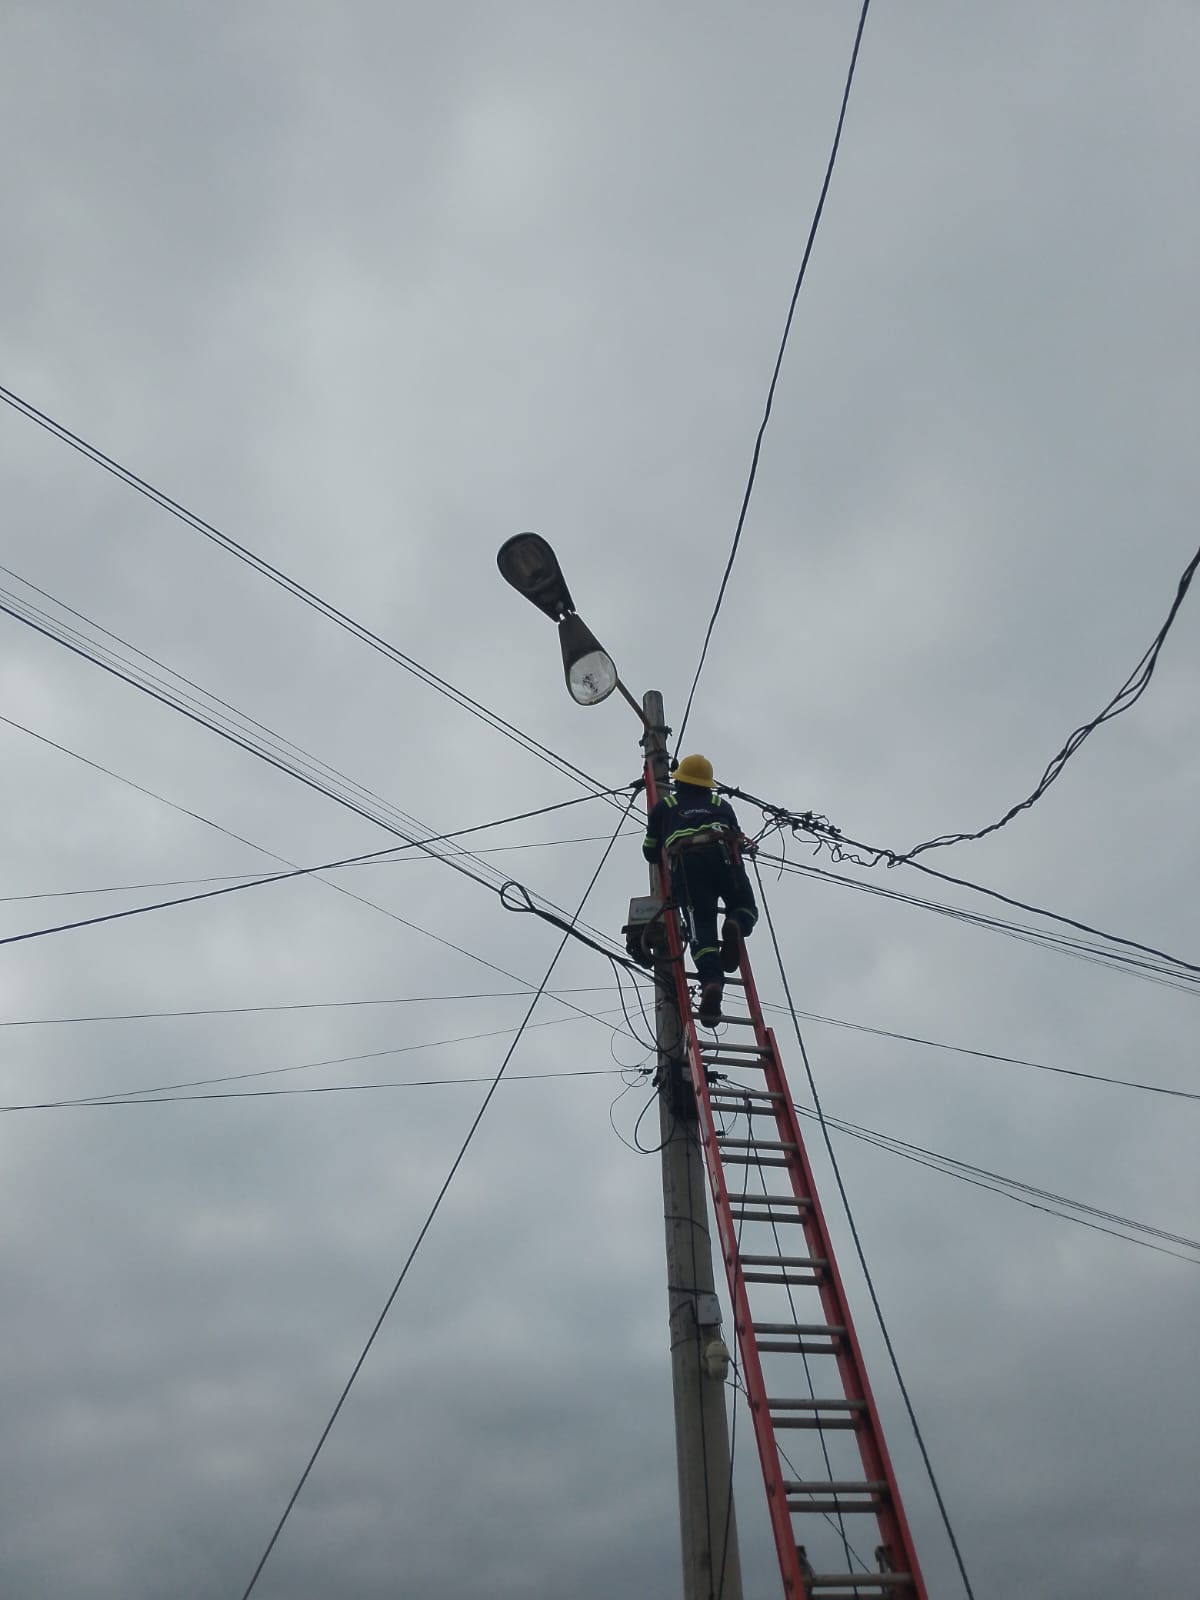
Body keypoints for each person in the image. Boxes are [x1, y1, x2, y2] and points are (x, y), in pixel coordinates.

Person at [642, 753, 758, 1028]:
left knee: (701, 927)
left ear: (679, 781)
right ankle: (735, 923)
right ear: (707, 784)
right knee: (745, 906)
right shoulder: (722, 805)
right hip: (724, 858)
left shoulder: (665, 806)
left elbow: (650, 851)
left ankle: (712, 983)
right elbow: (736, 838)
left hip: (689, 865)